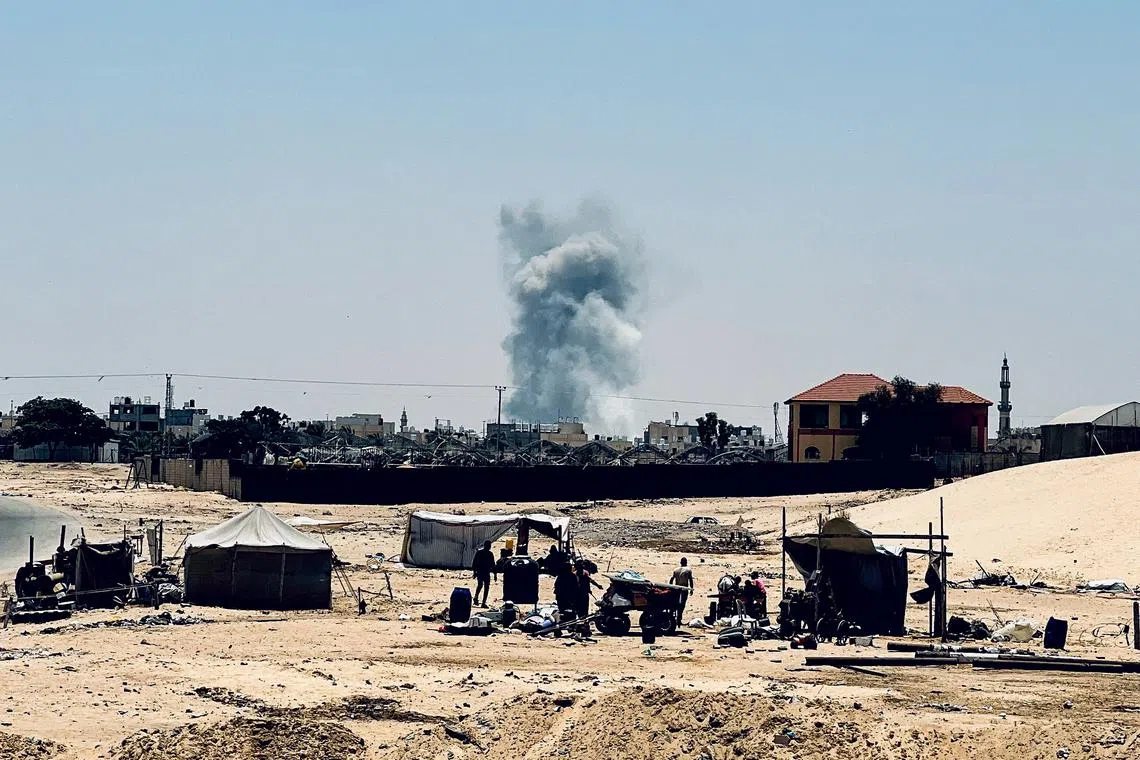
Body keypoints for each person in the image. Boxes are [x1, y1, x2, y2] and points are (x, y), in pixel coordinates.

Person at [471, 540, 496, 608]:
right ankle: (481, 601)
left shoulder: (481, 553)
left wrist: (474, 572)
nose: (489, 547)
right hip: (483, 572)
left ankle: (478, 599)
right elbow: (493, 565)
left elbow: (474, 563)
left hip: (482, 572)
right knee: (484, 586)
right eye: (489, 546)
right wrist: (495, 574)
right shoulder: (486, 553)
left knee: (482, 586)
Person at [554, 562, 579, 628]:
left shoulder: (561, 576)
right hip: (568, 598)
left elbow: (557, 586)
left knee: (563, 611)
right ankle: (570, 625)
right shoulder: (572, 576)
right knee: (569, 612)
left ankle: (565, 624)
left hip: (563, 597)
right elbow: (576, 587)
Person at [670, 557, 695, 624]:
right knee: (682, 604)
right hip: (684, 589)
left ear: (680, 563)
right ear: (686, 562)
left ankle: (675, 617)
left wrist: (670, 587)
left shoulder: (676, 570)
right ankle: (679, 618)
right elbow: (690, 580)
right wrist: (692, 589)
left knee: (676, 603)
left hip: (677, 588)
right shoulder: (688, 570)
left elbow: (672, 579)